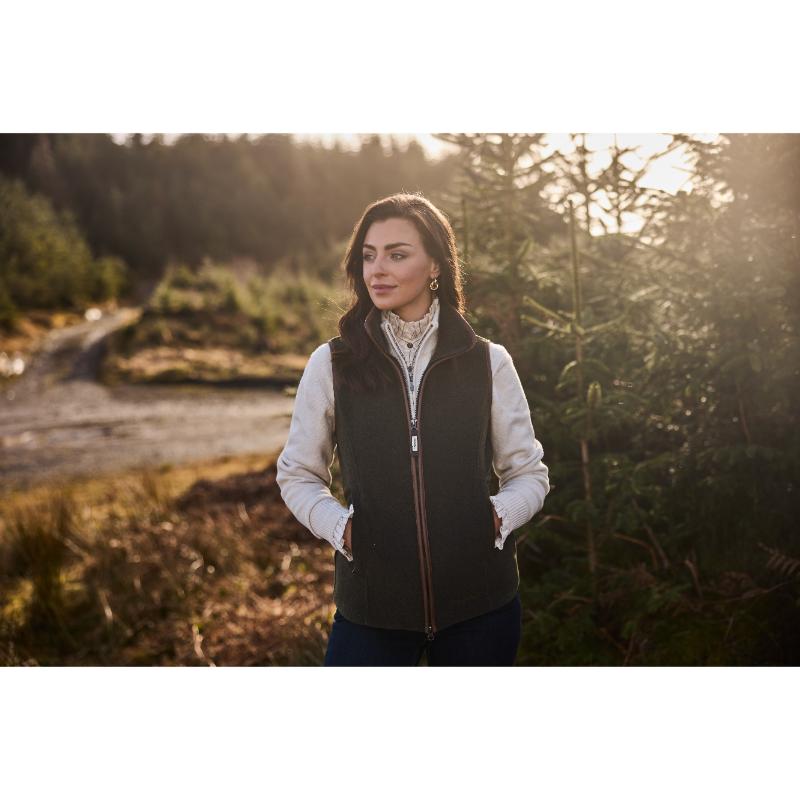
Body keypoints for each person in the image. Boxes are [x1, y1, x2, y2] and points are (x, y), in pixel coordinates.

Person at [276, 192, 550, 666]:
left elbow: (529, 473)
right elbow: (298, 473)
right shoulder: (333, 364)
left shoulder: (488, 362)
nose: (377, 270)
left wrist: (494, 519)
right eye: (369, 255)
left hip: (481, 606)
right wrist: (343, 530)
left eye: (397, 255)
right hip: (372, 609)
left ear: (435, 265)